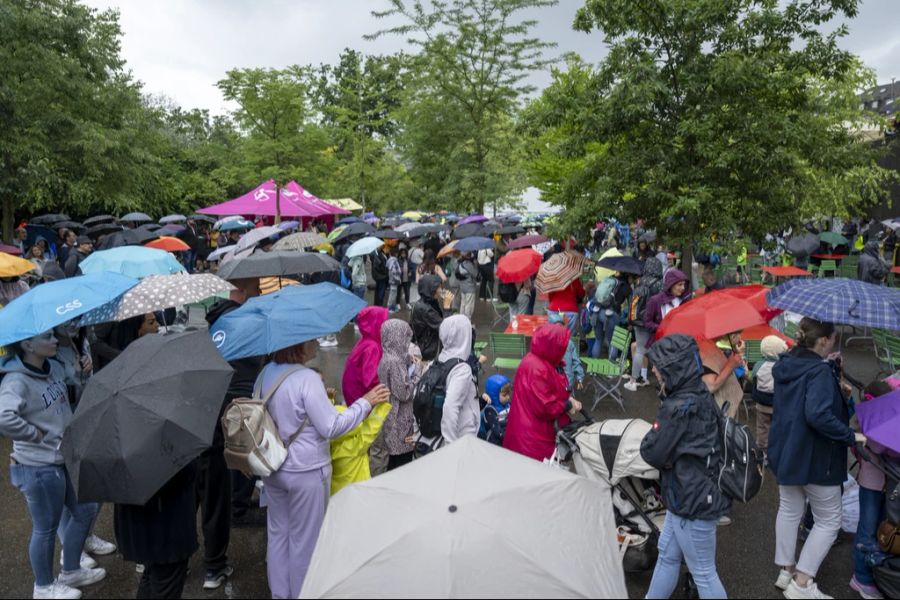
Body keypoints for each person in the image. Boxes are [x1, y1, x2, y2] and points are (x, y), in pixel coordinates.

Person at [258, 340, 389, 598]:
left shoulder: (265, 373)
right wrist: (364, 403)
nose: (317, 344)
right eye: (312, 339)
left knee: (278, 534)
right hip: (307, 471)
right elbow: (331, 426)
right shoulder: (307, 378)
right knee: (305, 541)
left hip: (273, 466)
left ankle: (280, 594)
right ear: (299, 345)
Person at [0, 331, 105, 600]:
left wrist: (83, 371)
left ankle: (70, 570)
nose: (55, 340)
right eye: (48, 337)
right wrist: (33, 434)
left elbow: (70, 394)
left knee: (86, 509)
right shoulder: (16, 381)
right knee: (45, 528)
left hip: (61, 457)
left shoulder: (53, 367)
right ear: (27, 344)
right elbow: (3, 417)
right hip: (37, 467)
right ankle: (44, 587)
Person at [768, 317, 862, 600]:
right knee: (829, 519)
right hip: (815, 456)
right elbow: (818, 414)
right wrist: (848, 435)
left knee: (789, 509)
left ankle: (786, 572)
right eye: (833, 339)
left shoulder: (786, 363)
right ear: (823, 341)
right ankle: (803, 582)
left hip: (786, 450)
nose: (834, 344)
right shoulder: (819, 372)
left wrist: (837, 381)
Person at [640, 334, 731, 599]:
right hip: (693, 492)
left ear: (674, 367)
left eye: (658, 365)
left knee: (703, 572)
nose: (654, 370)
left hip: (691, 498)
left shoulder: (678, 406)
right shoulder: (698, 392)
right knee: (667, 556)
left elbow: (652, 451)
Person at [201, 279, 264, 586]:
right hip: (234, 407)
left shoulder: (215, 321)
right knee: (224, 481)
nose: (260, 292)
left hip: (208, 413)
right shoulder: (240, 320)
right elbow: (251, 361)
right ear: (243, 290)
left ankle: (203, 561)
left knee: (208, 492)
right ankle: (214, 565)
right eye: (255, 288)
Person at [115, 462, 198, 599]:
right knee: (164, 583)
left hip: (138, 521)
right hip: (165, 529)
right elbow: (185, 472)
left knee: (151, 575)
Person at [503, 324, 583, 461]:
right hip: (533, 439)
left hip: (528, 430)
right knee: (535, 475)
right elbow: (545, 407)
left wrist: (568, 398)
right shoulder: (538, 369)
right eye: (562, 347)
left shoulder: (542, 360)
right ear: (553, 346)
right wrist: (567, 405)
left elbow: (551, 391)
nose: (564, 350)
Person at [852, 380, 895, 599]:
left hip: (877, 483)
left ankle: (868, 571)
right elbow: (877, 447)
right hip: (872, 484)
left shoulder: (871, 419)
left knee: (876, 525)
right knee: (867, 529)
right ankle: (861, 577)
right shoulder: (874, 426)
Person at [378, 319, 416, 469]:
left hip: (391, 418)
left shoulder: (387, 357)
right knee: (401, 463)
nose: (407, 342)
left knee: (393, 462)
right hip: (399, 422)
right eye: (405, 338)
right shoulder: (394, 362)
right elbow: (403, 393)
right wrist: (416, 377)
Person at [437, 315, 479, 443]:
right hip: (462, 438)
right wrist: (451, 446)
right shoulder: (462, 369)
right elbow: (450, 407)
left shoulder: (438, 360)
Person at [624, 257, 664, 391]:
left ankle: (633, 380)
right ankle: (660, 380)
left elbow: (634, 303)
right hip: (655, 321)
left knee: (640, 350)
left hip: (639, 322)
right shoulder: (660, 284)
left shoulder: (640, 282)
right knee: (656, 350)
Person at [751, 335, 788, 456]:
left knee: (762, 428)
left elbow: (753, 377)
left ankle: (762, 452)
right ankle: (777, 450)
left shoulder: (759, 364)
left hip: (761, 404)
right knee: (778, 427)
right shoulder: (783, 366)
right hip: (779, 404)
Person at [643, 268, 691, 347]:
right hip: (660, 345)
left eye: (684, 285)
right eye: (679, 284)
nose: (683, 288)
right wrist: (661, 328)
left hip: (679, 344)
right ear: (671, 284)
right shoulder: (655, 300)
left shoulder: (684, 301)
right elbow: (647, 322)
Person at [411, 275, 445, 362]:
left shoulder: (426, 302)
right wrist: (447, 308)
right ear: (430, 289)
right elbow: (445, 327)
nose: (441, 291)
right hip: (429, 349)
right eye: (438, 288)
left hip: (424, 343)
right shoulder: (426, 309)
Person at [548, 312, 584, 392]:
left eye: (561, 326)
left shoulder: (569, 343)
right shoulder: (546, 344)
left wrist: (579, 378)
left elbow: (576, 361)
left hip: (566, 384)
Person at [456, 252, 479, 321]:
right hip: (470, 287)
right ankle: (467, 320)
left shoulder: (460, 263)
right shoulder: (468, 264)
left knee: (463, 304)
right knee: (469, 305)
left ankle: (461, 319)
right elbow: (475, 274)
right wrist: (475, 265)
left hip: (463, 287)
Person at [386, 248, 401, 313]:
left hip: (392, 280)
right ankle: (390, 308)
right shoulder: (393, 261)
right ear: (395, 253)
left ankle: (391, 307)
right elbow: (393, 271)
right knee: (393, 294)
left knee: (393, 294)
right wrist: (398, 273)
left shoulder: (390, 260)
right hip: (394, 280)